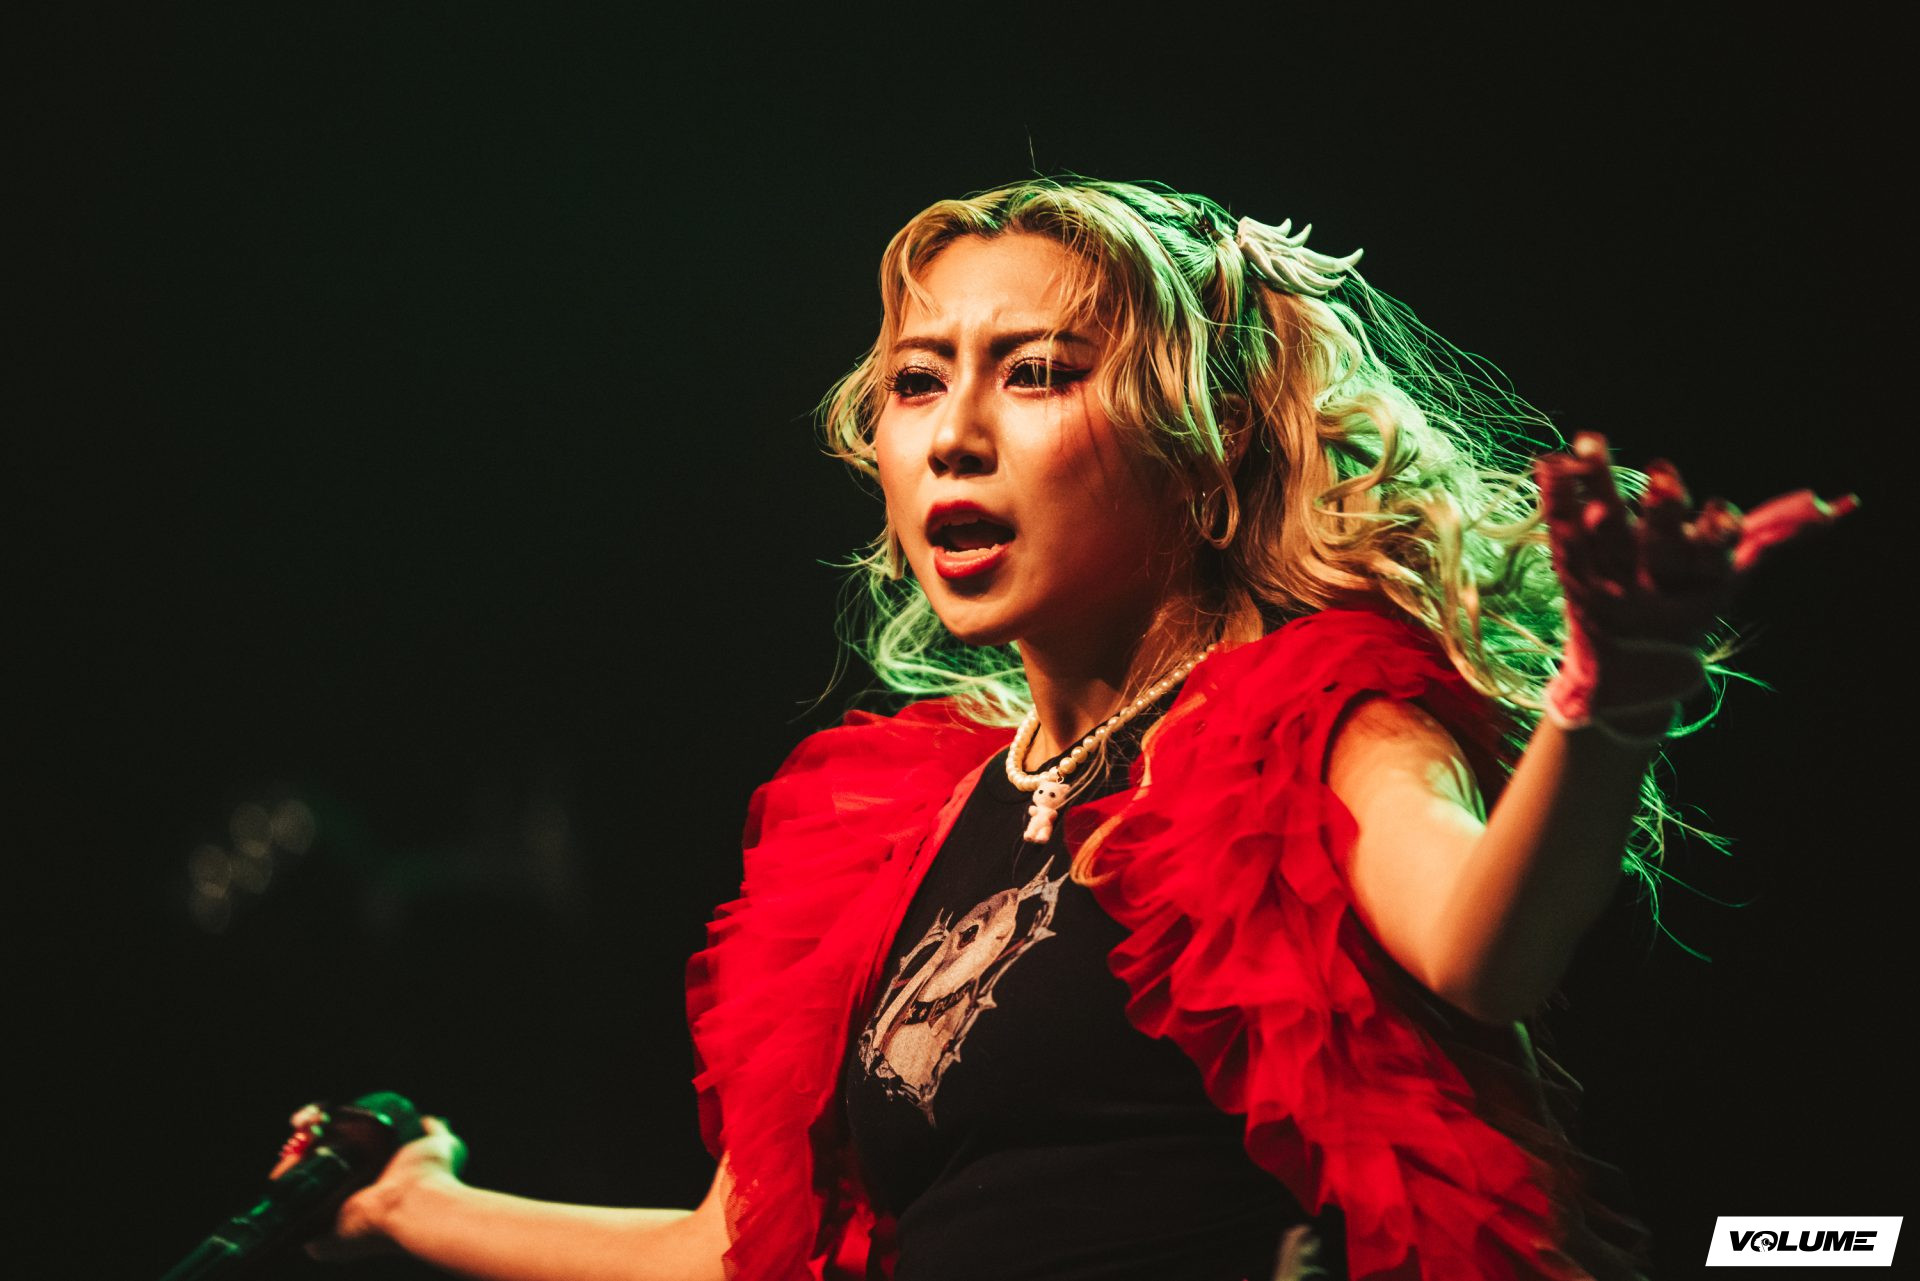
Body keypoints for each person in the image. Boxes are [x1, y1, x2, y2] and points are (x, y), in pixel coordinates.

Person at [314, 178, 1853, 1280]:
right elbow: (734, 1247)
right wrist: (406, 1204)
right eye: (917, 382)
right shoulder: (895, 827)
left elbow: (1480, 947)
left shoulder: (1314, 716)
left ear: (1207, 444)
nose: (954, 433)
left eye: (1038, 373)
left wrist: (1612, 693)